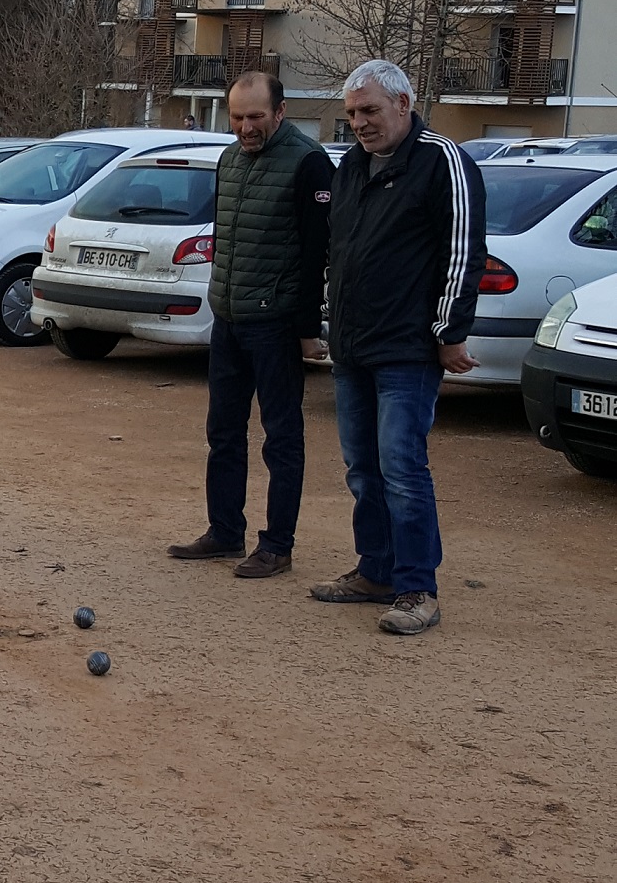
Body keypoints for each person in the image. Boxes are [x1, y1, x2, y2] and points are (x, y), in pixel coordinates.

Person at [310, 58, 485, 638]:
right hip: (353, 345)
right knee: (362, 470)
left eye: (370, 111)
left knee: (403, 469)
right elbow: (339, 251)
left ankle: (417, 588)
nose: (360, 123)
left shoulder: (442, 161)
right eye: (353, 113)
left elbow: (463, 252)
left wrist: (449, 331)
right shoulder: (351, 166)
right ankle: (376, 572)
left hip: (408, 349)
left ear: (404, 105)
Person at [169, 66, 332, 578]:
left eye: (256, 116)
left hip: (276, 324)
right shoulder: (228, 160)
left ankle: (277, 545)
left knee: (281, 437)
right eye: (238, 117)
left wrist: (307, 328)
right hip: (231, 319)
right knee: (223, 431)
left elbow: (315, 255)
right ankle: (224, 531)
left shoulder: (309, 164)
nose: (245, 127)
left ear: (280, 112)